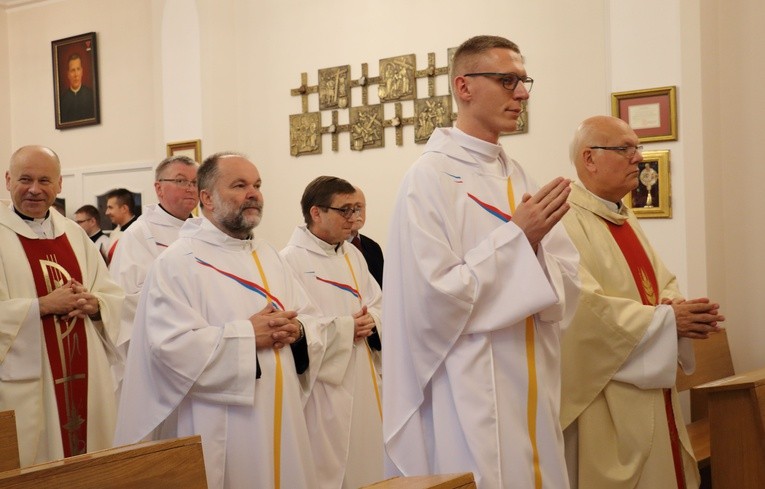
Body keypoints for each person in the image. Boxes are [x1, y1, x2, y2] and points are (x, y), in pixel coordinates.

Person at [382, 35, 580, 489]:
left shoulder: (520, 176)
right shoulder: (428, 179)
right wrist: (519, 239)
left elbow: (569, 278)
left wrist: (530, 249)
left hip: (533, 380)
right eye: (507, 80)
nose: (522, 93)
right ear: (464, 87)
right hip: (469, 389)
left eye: (524, 81)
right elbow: (433, 298)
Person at [114, 152, 317, 489]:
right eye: (239, 185)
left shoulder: (269, 255)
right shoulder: (178, 262)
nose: (253, 194)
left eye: (257, 185)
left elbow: (306, 316)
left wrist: (297, 330)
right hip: (221, 420)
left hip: (283, 412)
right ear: (207, 198)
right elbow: (168, 348)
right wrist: (246, 336)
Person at [560, 115, 725, 489]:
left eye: (638, 148)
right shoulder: (565, 220)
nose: (638, 158)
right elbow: (583, 310)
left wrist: (678, 309)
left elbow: (660, 281)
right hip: (606, 399)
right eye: (625, 149)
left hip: (650, 391)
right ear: (589, 158)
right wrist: (667, 320)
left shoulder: (621, 214)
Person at [0, 145, 123, 466]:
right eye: (25, 179)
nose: (35, 189)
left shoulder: (74, 233)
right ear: (8, 180)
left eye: (45, 180)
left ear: (59, 184)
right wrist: (39, 306)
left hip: (85, 372)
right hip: (29, 381)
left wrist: (96, 304)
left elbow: (111, 295)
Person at [281, 176, 383, 489]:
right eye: (345, 210)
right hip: (323, 384)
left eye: (357, 209)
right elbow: (296, 324)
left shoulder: (354, 255)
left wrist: (373, 321)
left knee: (369, 460)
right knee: (328, 468)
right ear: (316, 213)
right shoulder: (289, 260)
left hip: (363, 373)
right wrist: (346, 327)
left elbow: (378, 302)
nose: (354, 218)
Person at [109, 155, 199, 393]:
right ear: (158, 188)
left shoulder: (204, 230)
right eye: (181, 181)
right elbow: (126, 298)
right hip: (160, 348)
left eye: (195, 182)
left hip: (201, 345)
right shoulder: (139, 234)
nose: (190, 188)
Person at [347, 185, 384, 287]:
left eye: (359, 207)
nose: (355, 214)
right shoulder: (331, 246)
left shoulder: (373, 247)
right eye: (348, 209)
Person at [59, 53, 95, 123]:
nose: (76, 74)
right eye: (72, 70)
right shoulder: (62, 100)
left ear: (82, 72)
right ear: (68, 74)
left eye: (78, 69)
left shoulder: (91, 95)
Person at [104, 187, 137, 263]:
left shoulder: (138, 232)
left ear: (124, 208)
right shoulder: (115, 232)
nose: (107, 212)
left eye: (110, 208)